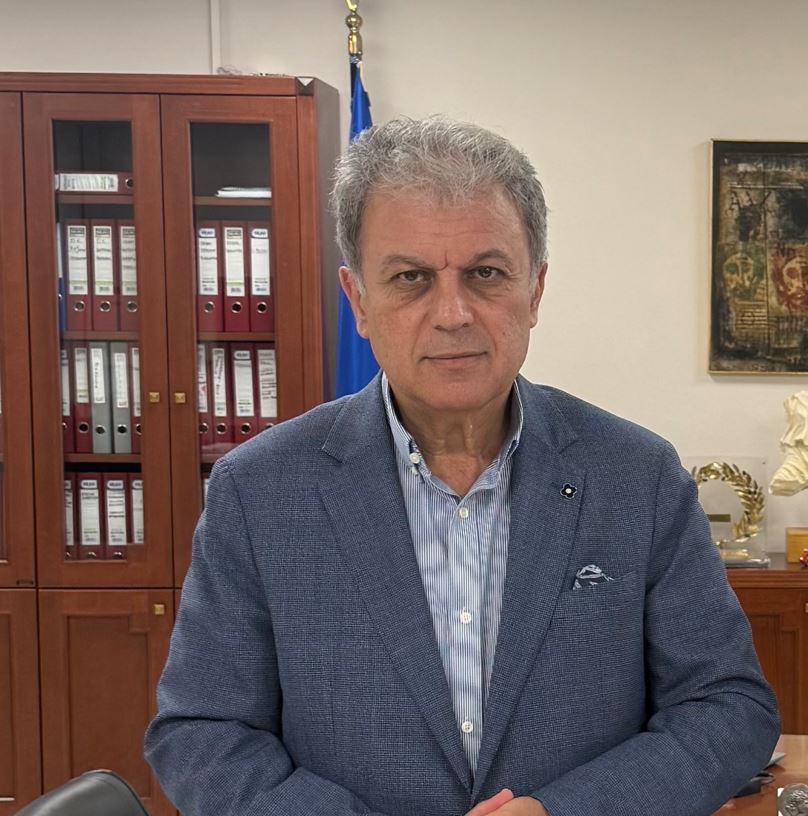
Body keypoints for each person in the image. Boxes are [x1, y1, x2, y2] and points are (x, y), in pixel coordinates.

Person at [144, 117, 780, 816]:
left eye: (485, 274)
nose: (452, 313)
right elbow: (202, 732)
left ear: (534, 291)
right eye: (410, 278)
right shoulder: (260, 491)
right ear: (359, 302)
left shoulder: (638, 477)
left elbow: (727, 707)